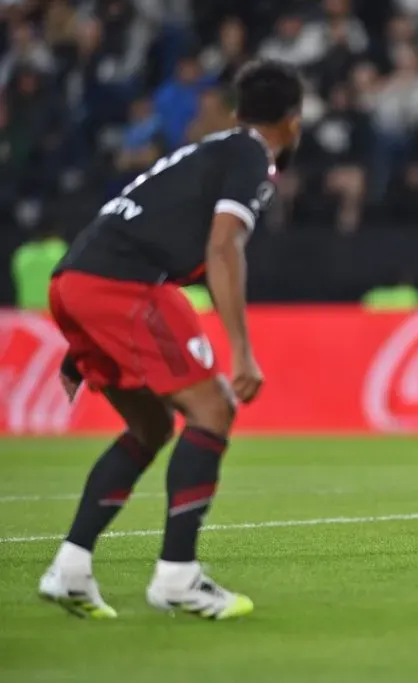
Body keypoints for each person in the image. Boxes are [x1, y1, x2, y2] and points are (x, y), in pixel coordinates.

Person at [39, 59, 303, 620]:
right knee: (213, 408)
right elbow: (222, 248)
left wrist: (82, 336)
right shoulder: (251, 154)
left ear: (236, 111)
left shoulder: (207, 150)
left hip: (74, 281)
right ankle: (178, 577)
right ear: (293, 122)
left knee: (151, 424)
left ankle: (70, 568)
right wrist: (243, 349)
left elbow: (146, 225)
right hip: (122, 286)